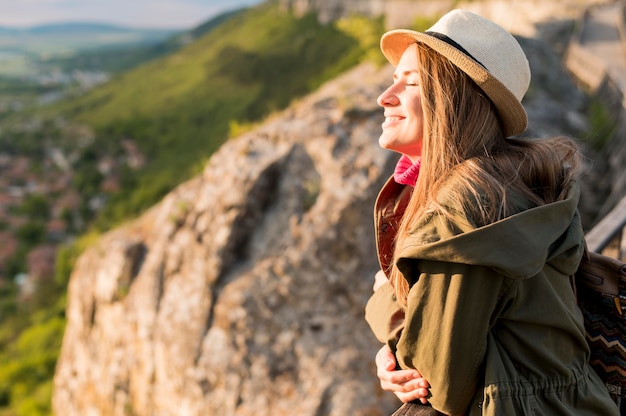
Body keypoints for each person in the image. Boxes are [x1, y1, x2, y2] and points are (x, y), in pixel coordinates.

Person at [364, 9, 620, 416]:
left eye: (410, 82)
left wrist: (383, 302)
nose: (385, 96)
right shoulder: (513, 183)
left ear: (453, 102)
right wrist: (395, 349)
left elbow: (437, 381)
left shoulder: (466, 203)